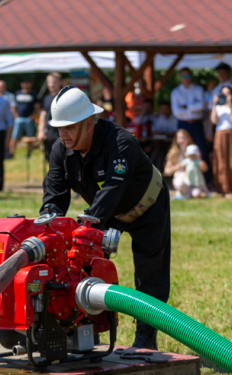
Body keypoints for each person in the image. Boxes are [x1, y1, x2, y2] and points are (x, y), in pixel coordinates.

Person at [41, 86, 170, 350]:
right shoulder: (59, 150)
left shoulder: (120, 142)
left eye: (69, 127)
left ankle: (145, 341)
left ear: (89, 123)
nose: (63, 134)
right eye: (59, 128)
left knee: (149, 275)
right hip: (103, 214)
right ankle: (84, 331)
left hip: (147, 207)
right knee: (80, 268)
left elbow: (112, 189)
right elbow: (54, 197)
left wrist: (86, 228)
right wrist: (48, 227)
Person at [170, 68, 208, 170]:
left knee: (201, 149)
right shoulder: (175, 92)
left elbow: (201, 106)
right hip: (183, 124)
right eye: (183, 76)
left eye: (188, 76)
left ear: (191, 76)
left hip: (196, 124)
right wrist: (193, 108)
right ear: (180, 77)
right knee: (182, 149)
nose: (186, 78)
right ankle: (184, 177)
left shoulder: (198, 89)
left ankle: (205, 180)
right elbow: (176, 112)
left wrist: (185, 107)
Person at [210, 86, 232, 196]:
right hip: (220, 134)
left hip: (231, 133)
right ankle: (223, 188)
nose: (226, 96)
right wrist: (214, 104)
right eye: (223, 94)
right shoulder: (218, 107)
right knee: (221, 161)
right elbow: (214, 120)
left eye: (228, 93)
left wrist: (231, 106)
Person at [164, 129, 205, 199]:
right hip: (180, 178)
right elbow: (166, 171)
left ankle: (187, 193)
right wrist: (176, 168)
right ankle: (182, 193)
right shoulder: (173, 153)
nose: (181, 140)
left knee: (196, 194)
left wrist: (202, 166)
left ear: (188, 139)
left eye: (183, 138)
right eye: (179, 138)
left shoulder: (194, 151)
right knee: (181, 183)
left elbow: (202, 168)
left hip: (193, 178)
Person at [37, 72, 63, 160]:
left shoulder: (64, 97)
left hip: (62, 132)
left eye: (54, 82)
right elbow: (43, 115)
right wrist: (41, 131)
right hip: (49, 132)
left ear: (59, 83)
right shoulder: (46, 98)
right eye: (49, 82)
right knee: (50, 159)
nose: (51, 85)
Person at [9, 79, 38, 157]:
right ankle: (11, 153)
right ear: (21, 84)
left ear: (30, 84)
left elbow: (37, 107)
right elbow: (13, 106)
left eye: (27, 83)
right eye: (24, 83)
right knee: (15, 136)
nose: (25, 85)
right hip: (19, 119)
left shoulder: (33, 94)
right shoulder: (17, 93)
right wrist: (16, 116)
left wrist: (32, 116)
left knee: (30, 137)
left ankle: (29, 153)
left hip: (29, 119)